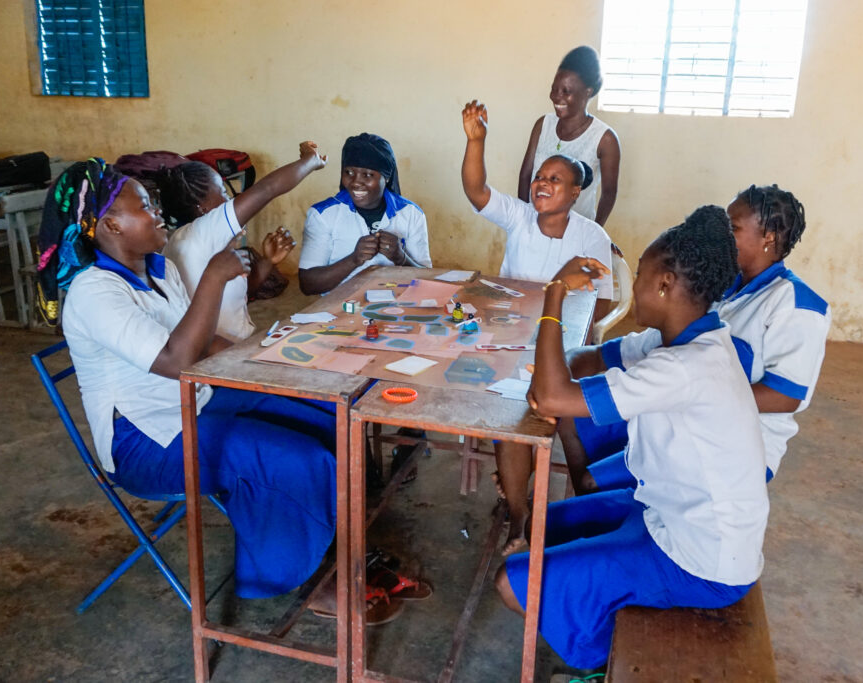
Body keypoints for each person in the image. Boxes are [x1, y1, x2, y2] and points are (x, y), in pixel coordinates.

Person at [36, 159, 338, 599]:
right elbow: (178, 360)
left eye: (153, 202)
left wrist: (276, 365)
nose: (157, 212)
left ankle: (325, 538)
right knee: (295, 457)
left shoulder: (158, 269)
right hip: (146, 443)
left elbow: (204, 342)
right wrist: (214, 278)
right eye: (143, 205)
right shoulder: (94, 293)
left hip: (196, 401)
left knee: (325, 410)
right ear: (110, 226)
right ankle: (289, 578)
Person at [494, 206, 768, 671]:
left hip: (700, 559)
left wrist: (555, 294)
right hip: (670, 514)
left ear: (663, 285)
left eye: (639, 274)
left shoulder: (684, 367)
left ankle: (608, 663)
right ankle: (589, 603)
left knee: (509, 581)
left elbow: (552, 395)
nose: (632, 287)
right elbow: (584, 362)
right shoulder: (682, 341)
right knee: (541, 526)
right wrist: (553, 369)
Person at [563, 184, 830, 493]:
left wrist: (681, 395)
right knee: (575, 416)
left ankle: (605, 514)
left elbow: (786, 396)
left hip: (733, 445)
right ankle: (601, 511)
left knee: (595, 478)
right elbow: (659, 342)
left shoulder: (797, 306)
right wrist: (598, 357)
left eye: (734, 228)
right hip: (675, 415)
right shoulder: (718, 282)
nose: (724, 238)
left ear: (768, 237)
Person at [462, 98, 616, 551]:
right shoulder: (520, 217)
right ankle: (519, 514)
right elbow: (476, 190)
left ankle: (570, 494)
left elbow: (602, 303)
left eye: (555, 179)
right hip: (507, 334)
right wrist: (477, 141)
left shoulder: (591, 236)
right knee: (508, 408)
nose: (542, 184)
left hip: (561, 342)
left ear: (574, 193)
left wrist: (577, 349)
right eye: (540, 177)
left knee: (545, 403)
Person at [159, 142, 327, 342]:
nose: (229, 199)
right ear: (202, 207)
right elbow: (267, 189)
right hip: (219, 354)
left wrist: (267, 261)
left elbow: (235, 298)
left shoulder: (180, 241)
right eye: (222, 192)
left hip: (230, 345)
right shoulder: (204, 230)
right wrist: (310, 161)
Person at [298, 133, 431, 295]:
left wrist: (400, 257)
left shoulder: (411, 214)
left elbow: (426, 279)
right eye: (349, 172)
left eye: (367, 175)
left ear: (386, 177)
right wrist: (353, 260)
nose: (355, 182)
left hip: (396, 305)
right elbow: (307, 285)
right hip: (340, 309)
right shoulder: (322, 215)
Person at [518, 46, 621, 225]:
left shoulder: (604, 139)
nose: (557, 97)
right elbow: (526, 174)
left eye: (566, 91)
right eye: (554, 89)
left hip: (576, 230)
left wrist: (595, 232)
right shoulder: (543, 125)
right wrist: (524, 220)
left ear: (587, 92)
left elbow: (609, 193)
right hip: (536, 224)